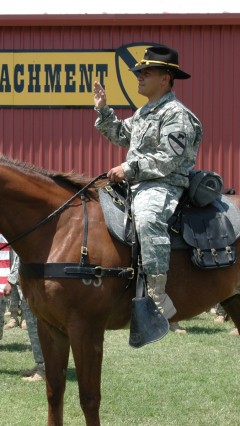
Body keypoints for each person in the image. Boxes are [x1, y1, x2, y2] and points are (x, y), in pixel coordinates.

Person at [93, 45, 202, 320]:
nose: (139, 77)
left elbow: (169, 159)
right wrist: (104, 110)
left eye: (145, 73)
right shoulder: (144, 112)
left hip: (163, 184)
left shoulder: (177, 114)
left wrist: (129, 168)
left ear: (165, 78)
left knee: (147, 218)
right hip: (137, 183)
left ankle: (157, 296)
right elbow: (119, 134)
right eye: (139, 73)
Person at [7, 250, 45, 381]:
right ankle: (40, 364)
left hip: (34, 288)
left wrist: (10, 281)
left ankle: (44, 369)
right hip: (28, 287)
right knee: (33, 329)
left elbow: (21, 259)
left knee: (37, 329)